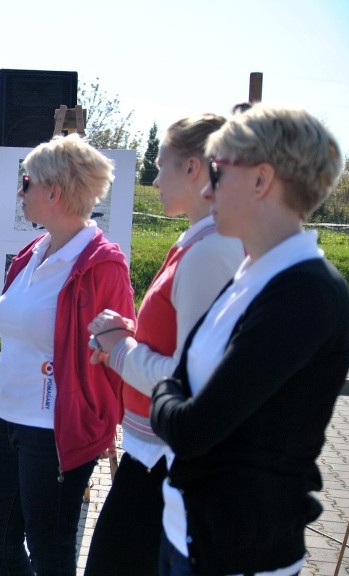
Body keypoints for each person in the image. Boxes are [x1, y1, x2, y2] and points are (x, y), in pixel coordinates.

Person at [150, 105, 349, 575]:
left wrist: (167, 395)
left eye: (217, 173)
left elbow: (191, 427)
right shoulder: (250, 274)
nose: (205, 188)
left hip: (239, 555)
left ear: (262, 181)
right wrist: (172, 394)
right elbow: (180, 383)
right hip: (189, 533)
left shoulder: (306, 295)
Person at [84, 114, 245, 575]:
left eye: (162, 164)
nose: (155, 180)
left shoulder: (211, 250)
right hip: (155, 454)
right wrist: (129, 336)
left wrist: (118, 350)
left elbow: (189, 377)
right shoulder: (203, 241)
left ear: (195, 168)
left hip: (167, 459)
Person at [0, 133, 136, 575]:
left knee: (50, 551)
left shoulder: (102, 264)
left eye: (25, 182)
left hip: (55, 432)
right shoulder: (32, 252)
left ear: (53, 191)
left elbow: (119, 349)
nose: (20, 191)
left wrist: (94, 418)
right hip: (9, 418)